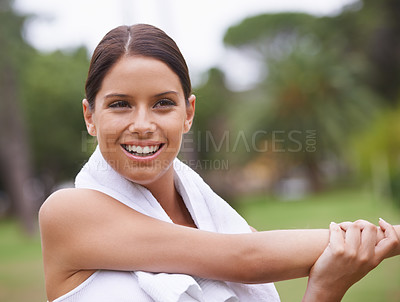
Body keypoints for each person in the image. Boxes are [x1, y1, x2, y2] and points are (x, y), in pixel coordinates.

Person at [39, 24, 400, 302]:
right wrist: (385, 238)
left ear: (188, 113)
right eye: (120, 104)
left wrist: (325, 290)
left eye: (163, 103)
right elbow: (247, 258)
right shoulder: (67, 213)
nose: (143, 125)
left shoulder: (216, 218)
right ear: (90, 116)